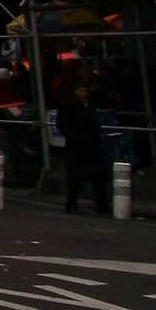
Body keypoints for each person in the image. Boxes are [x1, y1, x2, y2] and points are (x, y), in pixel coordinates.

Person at [55, 80, 110, 215]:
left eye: (86, 91)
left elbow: (95, 122)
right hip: (76, 146)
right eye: (81, 91)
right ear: (75, 91)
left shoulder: (90, 105)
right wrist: (75, 137)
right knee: (75, 178)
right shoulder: (68, 106)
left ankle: (101, 205)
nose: (84, 94)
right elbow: (62, 125)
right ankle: (72, 205)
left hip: (92, 145)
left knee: (99, 176)